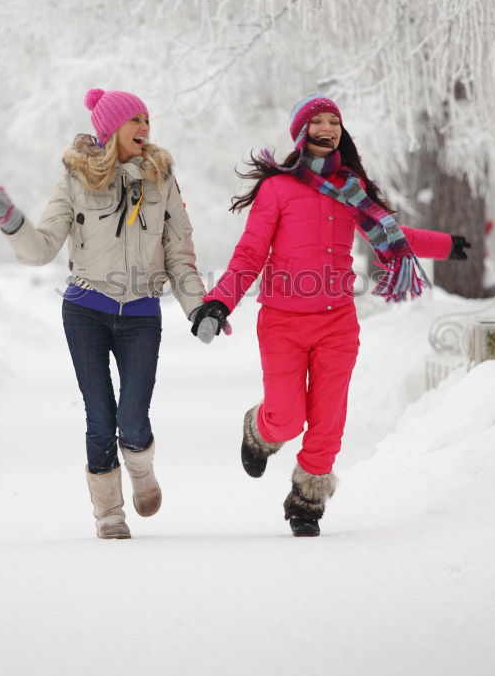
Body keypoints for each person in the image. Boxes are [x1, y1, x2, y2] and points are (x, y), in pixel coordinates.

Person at [190, 94, 471, 537]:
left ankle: (308, 499)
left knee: (328, 420)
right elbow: (249, 254)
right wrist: (218, 301)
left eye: (333, 121)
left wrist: (445, 245)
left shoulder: (350, 189)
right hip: (282, 321)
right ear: (301, 134)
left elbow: (393, 233)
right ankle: (259, 430)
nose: (327, 128)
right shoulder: (277, 188)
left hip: (337, 321)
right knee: (286, 416)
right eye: (317, 121)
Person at [0, 88, 207, 539]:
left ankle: (142, 471)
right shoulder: (74, 179)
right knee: (99, 416)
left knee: (132, 417)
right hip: (86, 310)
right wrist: (14, 224)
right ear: (111, 129)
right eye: (135, 121)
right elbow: (43, 247)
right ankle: (109, 512)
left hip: (142, 312)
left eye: (147, 120)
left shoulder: (161, 178)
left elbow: (179, 252)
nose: (145, 129)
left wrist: (198, 309)